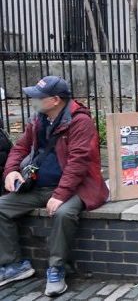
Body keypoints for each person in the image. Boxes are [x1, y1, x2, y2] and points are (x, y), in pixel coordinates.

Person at [0, 76, 109, 297]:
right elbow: (20, 147)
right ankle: (14, 265)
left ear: (55, 100)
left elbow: (78, 162)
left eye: (38, 97)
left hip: (77, 188)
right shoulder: (39, 118)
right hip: (39, 186)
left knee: (63, 213)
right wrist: (11, 170)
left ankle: (57, 269)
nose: (33, 101)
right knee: (2, 207)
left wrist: (60, 194)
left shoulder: (80, 121)